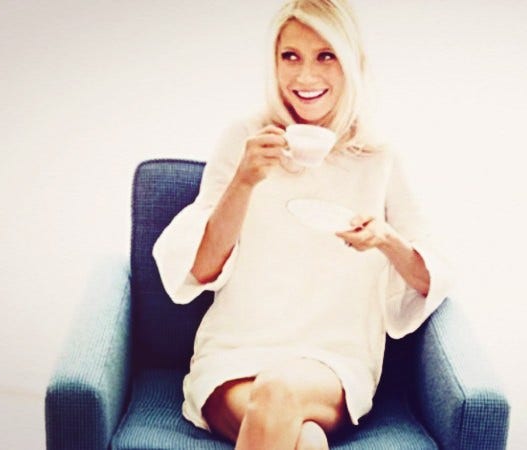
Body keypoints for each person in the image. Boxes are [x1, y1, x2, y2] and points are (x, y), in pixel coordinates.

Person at [152, 1, 452, 448]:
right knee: (305, 440)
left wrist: (385, 240)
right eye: (290, 56)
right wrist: (243, 180)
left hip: (331, 362)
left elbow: (432, 278)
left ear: (351, 63)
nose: (305, 76)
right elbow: (200, 269)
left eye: (325, 55)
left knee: (279, 390)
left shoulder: (378, 157)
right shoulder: (245, 138)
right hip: (235, 355)